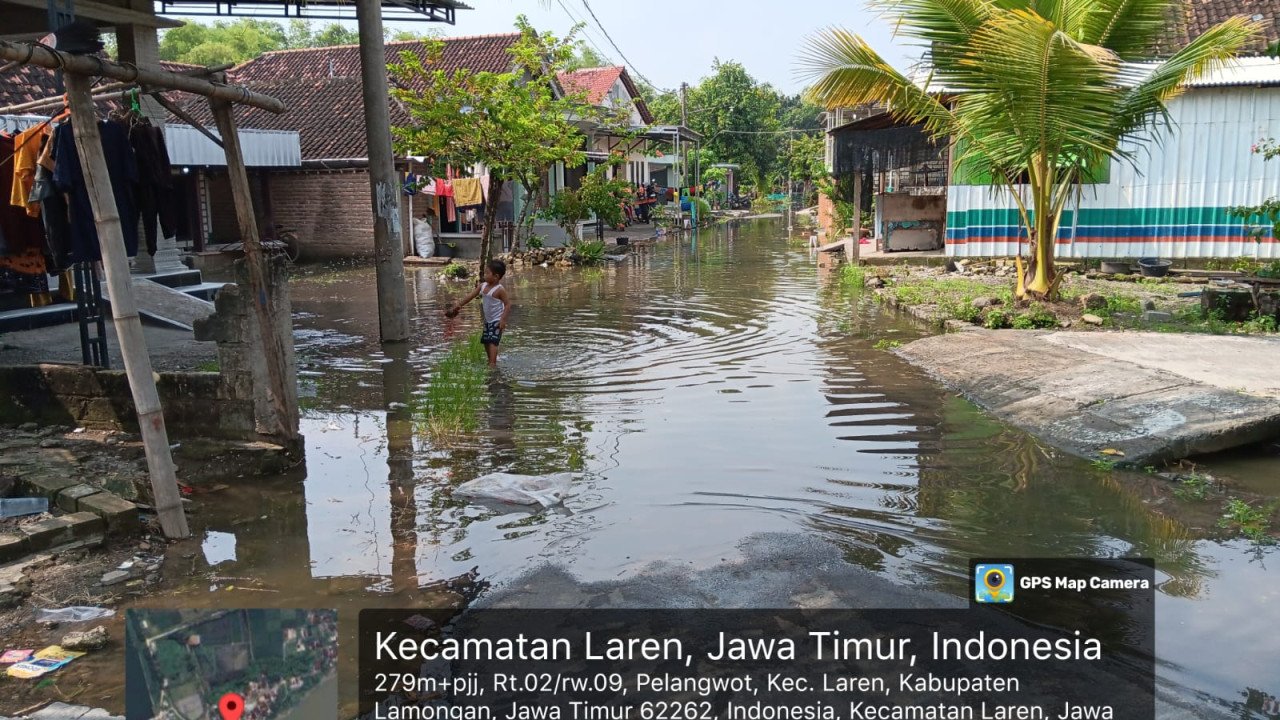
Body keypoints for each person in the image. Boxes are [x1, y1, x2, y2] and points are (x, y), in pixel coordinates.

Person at [445, 259, 512, 366]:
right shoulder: (483, 286)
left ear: (496, 276)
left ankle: (492, 364)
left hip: (497, 320)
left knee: (493, 341)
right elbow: (471, 296)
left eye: (487, 273)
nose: (484, 275)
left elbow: (508, 304)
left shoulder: (500, 290)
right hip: (488, 320)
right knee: (486, 340)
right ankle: (490, 360)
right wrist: (458, 305)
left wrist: (503, 320)